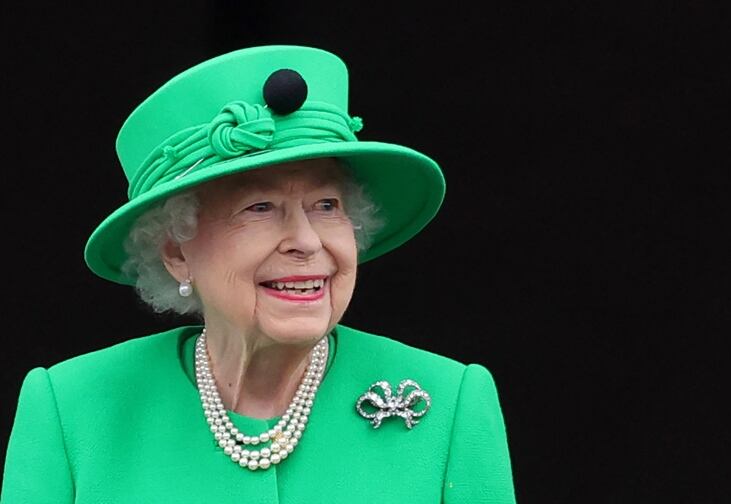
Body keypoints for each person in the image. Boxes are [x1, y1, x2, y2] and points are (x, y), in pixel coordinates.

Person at [1, 45, 516, 503]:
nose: (308, 241)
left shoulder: (449, 403)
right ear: (176, 252)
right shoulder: (70, 410)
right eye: (260, 207)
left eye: (327, 204)